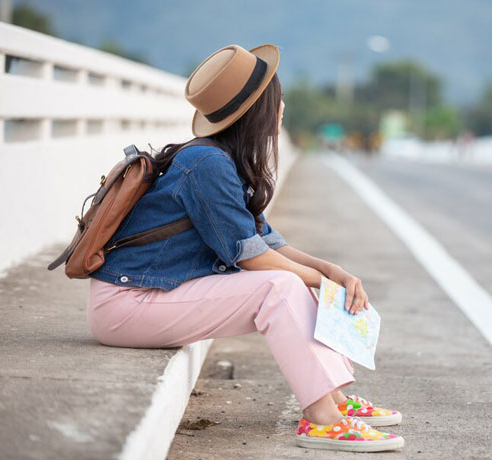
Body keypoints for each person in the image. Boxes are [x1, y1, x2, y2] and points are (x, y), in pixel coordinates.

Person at [85, 44, 404, 453]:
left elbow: (269, 243)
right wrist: (323, 281)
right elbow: (249, 257)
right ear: (260, 109)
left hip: (151, 296)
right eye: (278, 97)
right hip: (126, 305)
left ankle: (335, 400)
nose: (283, 105)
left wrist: (331, 271)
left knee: (294, 281)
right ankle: (322, 420)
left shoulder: (222, 159)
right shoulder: (207, 164)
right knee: (280, 287)